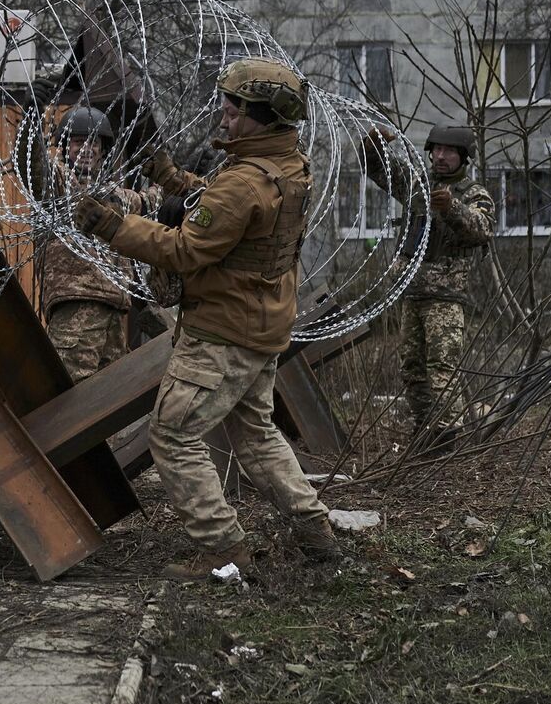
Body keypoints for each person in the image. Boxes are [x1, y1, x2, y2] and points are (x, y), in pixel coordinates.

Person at [74, 57, 340, 578]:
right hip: (261, 326)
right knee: (257, 435)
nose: (223, 116)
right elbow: (226, 212)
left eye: (234, 109)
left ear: (262, 116)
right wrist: (172, 178)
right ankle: (316, 530)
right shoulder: (288, 167)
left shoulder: (242, 183)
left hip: (221, 333)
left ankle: (222, 548)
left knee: (173, 435)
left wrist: (112, 226)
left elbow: (185, 249)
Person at [360, 124, 495, 441]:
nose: (440, 156)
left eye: (449, 152)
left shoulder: (473, 193)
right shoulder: (418, 186)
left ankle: (449, 435)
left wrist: (451, 207)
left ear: (463, 157)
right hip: (412, 292)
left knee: (442, 369)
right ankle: (426, 431)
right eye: (436, 150)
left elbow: (482, 229)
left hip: (446, 298)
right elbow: (380, 169)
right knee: (412, 370)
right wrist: (373, 144)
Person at [38, 106, 157, 382]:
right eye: (80, 142)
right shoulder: (59, 186)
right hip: (78, 304)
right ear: (66, 146)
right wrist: (32, 119)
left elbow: (152, 200)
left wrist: (181, 180)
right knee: (74, 390)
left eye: (95, 142)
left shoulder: (117, 196)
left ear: (103, 150)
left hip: (115, 310)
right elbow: (34, 166)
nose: (88, 149)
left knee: (110, 396)